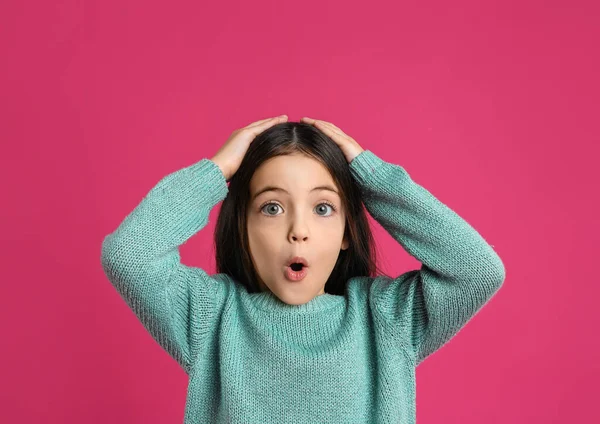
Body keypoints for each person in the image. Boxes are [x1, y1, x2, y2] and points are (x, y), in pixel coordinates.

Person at [100, 115, 506, 423]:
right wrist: (217, 170)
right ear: (244, 227)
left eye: (323, 208)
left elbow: (476, 270)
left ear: (347, 230)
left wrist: (375, 179)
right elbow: (129, 255)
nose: (299, 231)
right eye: (272, 208)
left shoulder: (387, 319)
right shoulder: (211, 316)